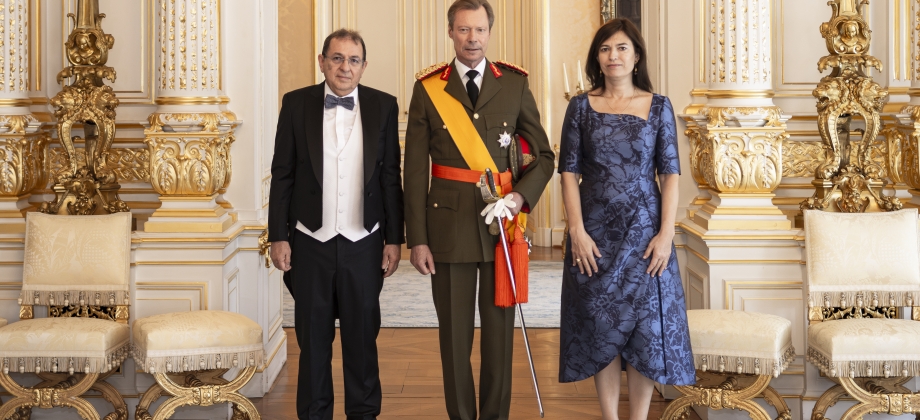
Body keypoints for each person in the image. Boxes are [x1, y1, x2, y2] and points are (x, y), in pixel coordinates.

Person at [403, 0, 555, 419]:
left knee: (499, 337)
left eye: (480, 30)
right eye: (464, 30)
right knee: (453, 339)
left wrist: (519, 198)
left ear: (490, 32)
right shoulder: (429, 88)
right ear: (450, 31)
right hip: (447, 228)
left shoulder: (514, 84)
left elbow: (544, 156)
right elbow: (414, 171)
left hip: (501, 227)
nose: (473, 38)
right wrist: (416, 240)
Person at [557, 18, 695, 420]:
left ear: (636, 56)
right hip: (594, 234)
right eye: (604, 49)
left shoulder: (660, 106)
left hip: (646, 234)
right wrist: (576, 231)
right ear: (596, 58)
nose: (612, 56)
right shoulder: (580, 106)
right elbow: (567, 173)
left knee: (645, 330)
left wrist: (667, 233)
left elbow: (670, 174)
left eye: (620, 48)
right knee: (601, 328)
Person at [268, 28, 404, 420]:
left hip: (364, 242)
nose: (345, 67)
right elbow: (283, 175)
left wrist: (395, 239)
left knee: (363, 339)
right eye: (338, 58)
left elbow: (390, 177)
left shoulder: (384, 105)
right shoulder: (295, 104)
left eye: (354, 60)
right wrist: (279, 235)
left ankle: (364, 415)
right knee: (313, 342)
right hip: (310, 241)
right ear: (322, 61)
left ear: (363, 66)